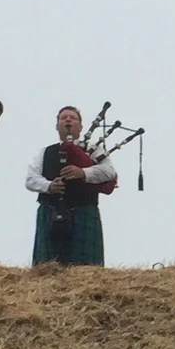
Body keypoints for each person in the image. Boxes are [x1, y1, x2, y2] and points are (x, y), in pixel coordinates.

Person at [27, 105, 117, 266]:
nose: (68, 120)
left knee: (85, 268)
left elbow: (109, 172)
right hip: (50, 211)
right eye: (63, 118)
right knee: (46, 267)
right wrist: (49, 186)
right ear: (57, 126)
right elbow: (30, 179)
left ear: (81, 127)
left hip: (84, 211)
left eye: (73, 118)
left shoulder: (93, 149)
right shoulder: (45, 152)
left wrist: (83, 172)